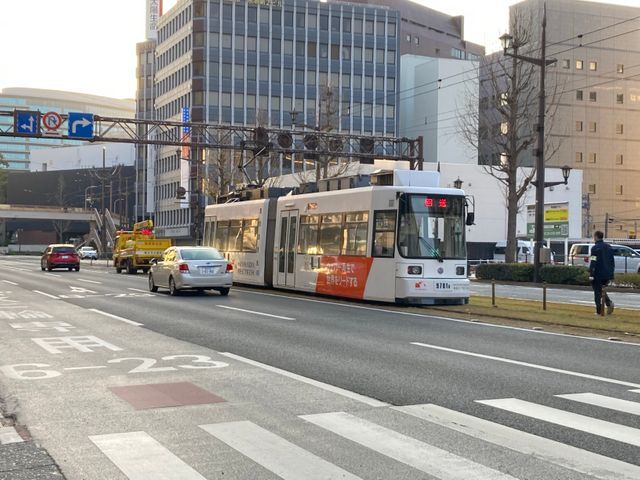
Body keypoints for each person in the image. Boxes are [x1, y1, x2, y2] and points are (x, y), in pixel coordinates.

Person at [589, 231, 615, 315]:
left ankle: (599, 310)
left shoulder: (595, 248)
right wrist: (611, 274)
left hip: (598, 273)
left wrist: (591, 273)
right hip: (607, 273)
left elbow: (593, 261)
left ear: (596, 237)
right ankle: (609, 303)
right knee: (601, 290)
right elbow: (612, 261)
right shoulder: (609, 247)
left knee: (597, 292)